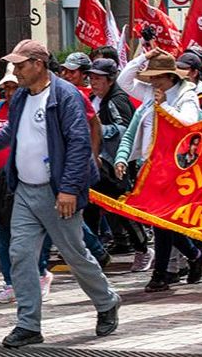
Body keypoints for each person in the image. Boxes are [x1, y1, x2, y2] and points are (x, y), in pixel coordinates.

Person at [0, 39, 120, 349]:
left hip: (57, 194)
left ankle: (106, 302)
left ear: (38, 64)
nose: (15, 72)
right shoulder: (22, 96)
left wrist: (68, 190)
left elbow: (78, 145)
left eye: (20, 66)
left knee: (76, 255)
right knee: (20, 255)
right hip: (23, 190)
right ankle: (28, 324)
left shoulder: (65, 97)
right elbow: (13, 131)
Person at [115, 49, 202, 293]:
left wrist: (164, 105)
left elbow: (187, 124)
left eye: (158, 77)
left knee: (161, 221)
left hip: (174, 168)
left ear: (170, 77)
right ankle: (194, 255)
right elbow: (124, 79)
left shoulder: (186, 96)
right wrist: (144, 57)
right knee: (158, 220)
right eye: (151, 77)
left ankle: (162, 273)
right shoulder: (148, 94)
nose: (153, 82)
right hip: (149, 166)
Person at [0, 65, 55, 304]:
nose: (9, 92)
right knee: (5, 235)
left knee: (38, 232)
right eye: (5, 88)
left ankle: (40, 274)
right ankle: (10, 283)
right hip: (0, 184)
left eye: (13, 87)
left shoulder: (32, 107)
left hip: (29, 181)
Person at [85, 58, 146, 268]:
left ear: (110, 80)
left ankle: (143, 248)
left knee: (121, 208)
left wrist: (100, 130)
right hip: (94, 165)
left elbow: (126, 131)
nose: (93, 82)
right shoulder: (93, 99)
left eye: (98, 78)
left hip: (115, 166)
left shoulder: (117, 100)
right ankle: (94, 252)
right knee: (90, 206)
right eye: (91, 78)